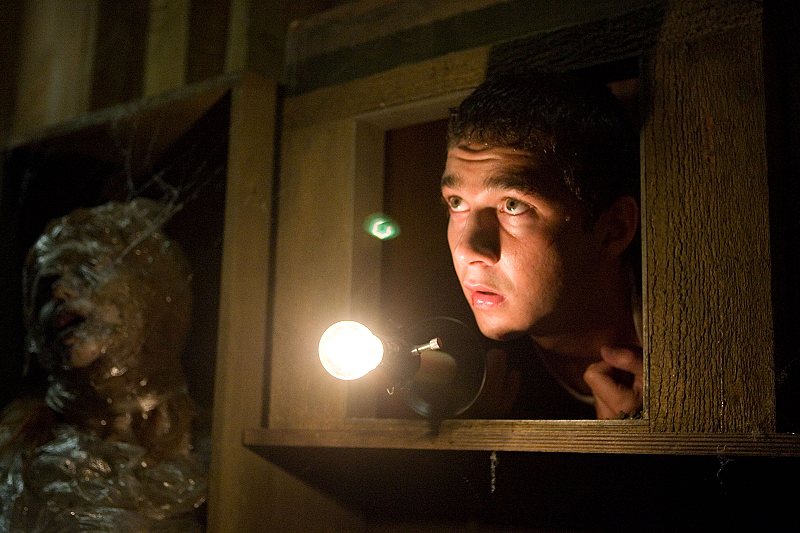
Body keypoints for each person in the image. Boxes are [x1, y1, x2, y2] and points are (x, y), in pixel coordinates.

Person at [441, 71, 642, 420]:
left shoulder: (698, 341)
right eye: (457, 203)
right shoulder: (463, 366)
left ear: (613, 229)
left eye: (512, 206)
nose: (467, 249)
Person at [0, 198, 206, 531]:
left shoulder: (207, 450)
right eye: (50, 282)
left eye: (85, 273)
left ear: (148, 294)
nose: (60, 291)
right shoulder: (16, 445)